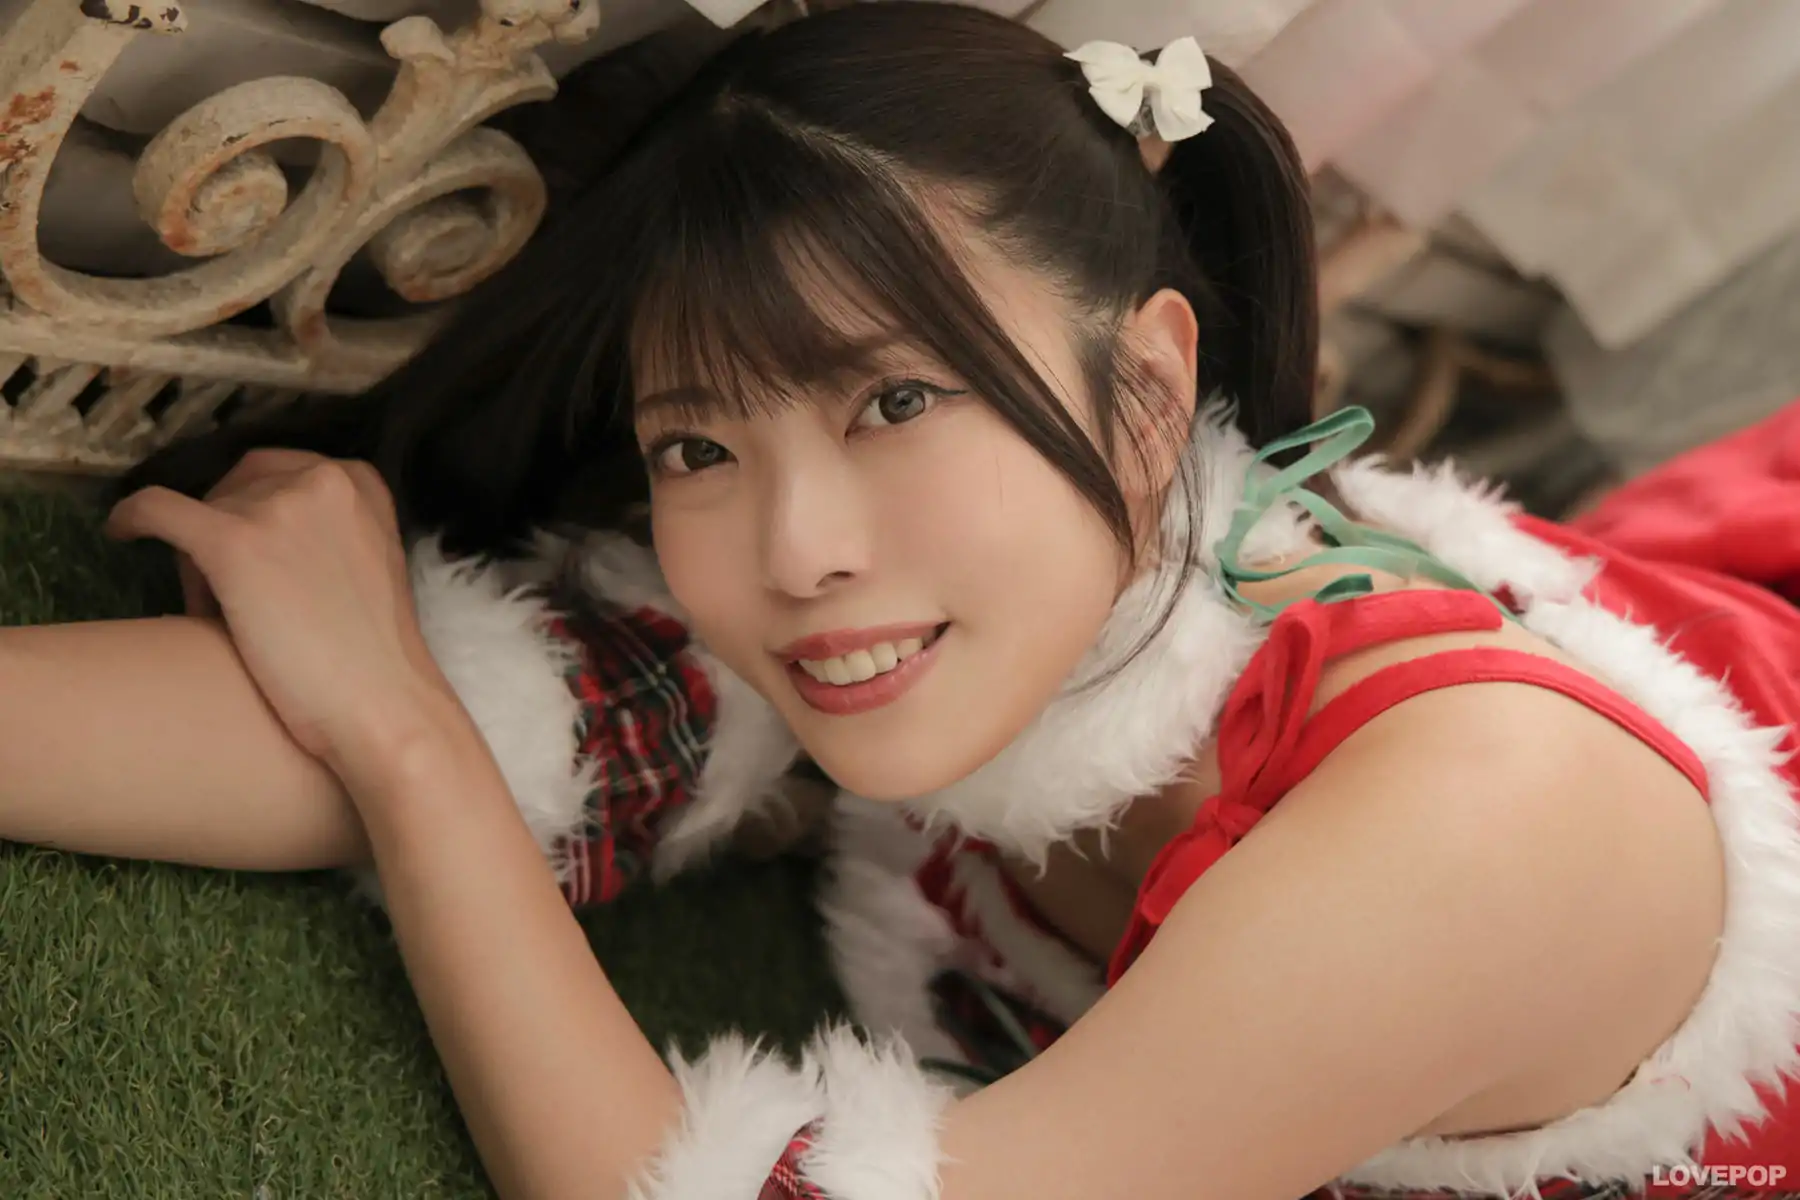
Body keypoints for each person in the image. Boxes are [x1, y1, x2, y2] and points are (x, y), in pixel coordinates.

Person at [6, 4, 1800, 1197]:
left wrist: (404, 737)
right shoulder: (1006, 576)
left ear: (1150, 391)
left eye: (894, 400)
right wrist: (417, 700)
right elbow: (564, 719)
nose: (796, 549)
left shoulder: (1480, 827)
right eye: (697, 442)